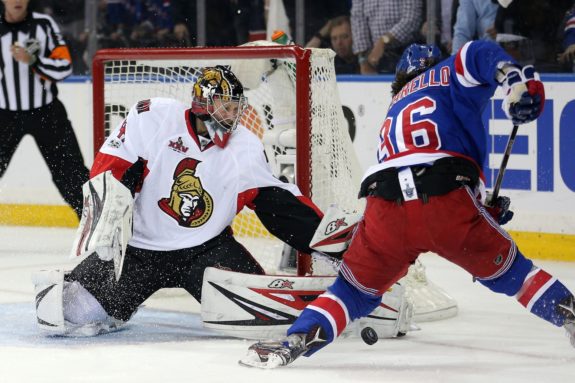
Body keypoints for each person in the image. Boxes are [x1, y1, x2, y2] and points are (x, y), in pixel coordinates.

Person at [240, 40, 575, 368]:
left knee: (351, 292)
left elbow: (414, 173)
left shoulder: (397, 102)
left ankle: (297, 339)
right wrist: (512, 76)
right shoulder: (447, 74)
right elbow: (477, 52)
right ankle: (570, 315)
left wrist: (479, 211)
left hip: (384, 208)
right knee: (517, 275)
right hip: (445, 195)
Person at [32, 65, 330, 336]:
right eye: (225, 107)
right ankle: (122, 298)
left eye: (236, 108)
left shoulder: (246, 148)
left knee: (267, 316)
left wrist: (327, 238)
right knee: (66, 314)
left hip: (207, 251)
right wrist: (108, 222)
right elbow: (111, 167)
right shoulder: (154, 117)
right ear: (203, 104)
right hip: (139, 249)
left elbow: (280, 206)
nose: (233, 116)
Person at [0, 0, 89, 218]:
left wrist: (33, 60)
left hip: (46, 113)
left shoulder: (44, 24)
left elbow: (64, 67)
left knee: (71, 174)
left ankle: (93, 225)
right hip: (4, 116)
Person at [351, 0, 424, 75]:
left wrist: (383, 41)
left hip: (409, 53)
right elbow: (358, 19)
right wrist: (363, 60)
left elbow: (412, 18)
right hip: (376, 58)